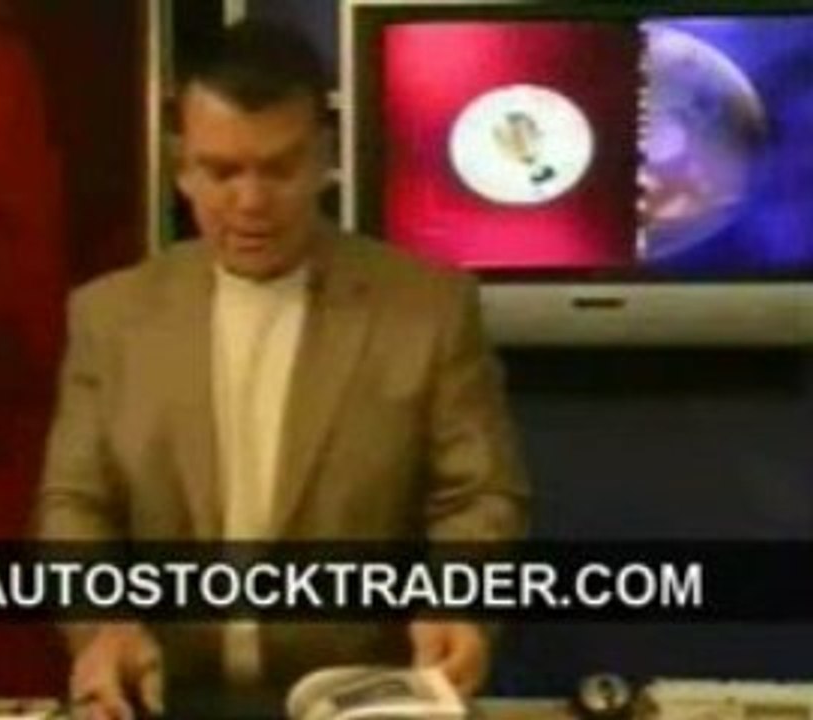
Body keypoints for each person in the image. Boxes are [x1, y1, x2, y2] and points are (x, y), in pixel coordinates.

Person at [36, 19, 530, 720]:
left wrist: (458, 604)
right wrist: (100, 626)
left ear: (325, 157)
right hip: (165, 697)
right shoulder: (110, 317)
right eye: (221, 172)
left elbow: (478, 497)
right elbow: (75, 505)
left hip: (358, 700)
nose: (250, 202)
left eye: (279, 169)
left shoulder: (429, 308)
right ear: (181, 166)